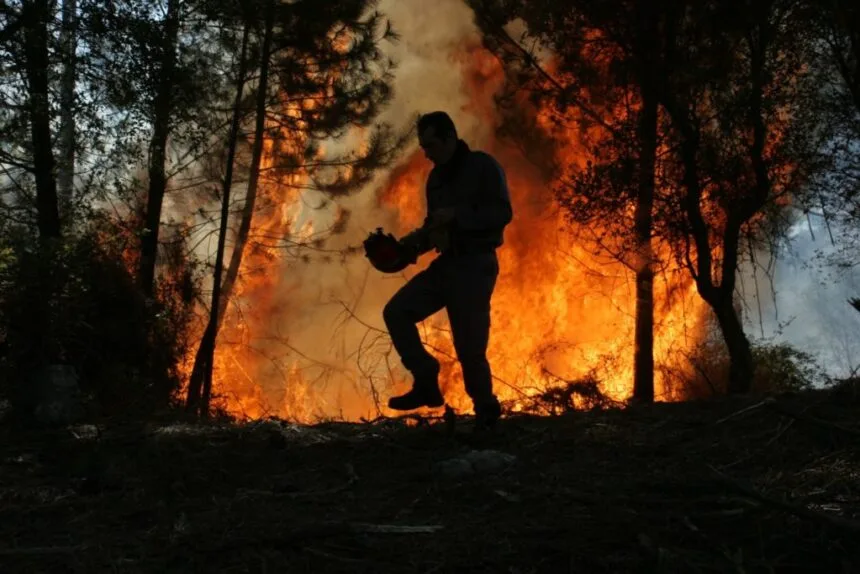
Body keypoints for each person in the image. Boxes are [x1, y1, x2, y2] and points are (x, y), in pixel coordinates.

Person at [382, 111, 513, 428]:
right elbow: (433, 228)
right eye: (423, 146)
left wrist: (458, 214)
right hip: (448, 264)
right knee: (397, 312)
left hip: (476, 265)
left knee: (469, 348)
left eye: (431, 145)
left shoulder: (482, 166)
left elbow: (501, 212)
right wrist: (405, 250)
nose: (426, 153)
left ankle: (486, 411)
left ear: (450, 138)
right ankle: (426, 379)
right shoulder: (436, 179)